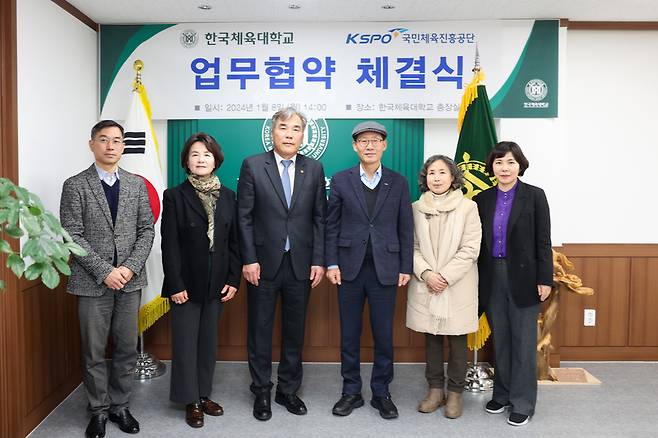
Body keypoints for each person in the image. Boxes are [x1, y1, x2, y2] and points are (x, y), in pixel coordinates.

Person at [60, 120, 154, 438]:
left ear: (124, 146)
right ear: (92, 144)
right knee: (94, 350)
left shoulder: (136, 185)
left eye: (117, 140)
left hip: (130, 281)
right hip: (91, 283)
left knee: (127, 348)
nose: (111, 145)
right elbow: (72, 234)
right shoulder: (75, 185)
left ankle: (120, 407)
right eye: (104, 139)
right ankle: (98, 410)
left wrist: (127, 268)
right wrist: (105, 271)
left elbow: (146, 230)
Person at [237, 107, 327, 421]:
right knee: (260, 329)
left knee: (294, 330)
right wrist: (249, 258)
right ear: (272, 132)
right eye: (284, 128)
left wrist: (319, 260)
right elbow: (244, 217)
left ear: (304, 135)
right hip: (262, 263)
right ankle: (261, 389)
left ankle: (288, 390)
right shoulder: (253, 165)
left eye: (296, 129)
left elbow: (319, 219)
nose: (290, 134)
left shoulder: (313, 168)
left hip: (301, 263)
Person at [325, 121, 413, 419]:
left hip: (386, 269)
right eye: (364, 141)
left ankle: (381, 393)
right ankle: (350, 391)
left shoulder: (398, 182)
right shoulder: (340, 180)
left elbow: (405, 226)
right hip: (348, 269)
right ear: (355, 146)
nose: (370, 145)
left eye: (376, 140)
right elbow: (331, 224)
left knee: (384, 336)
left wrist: (405, 266)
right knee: (349, 334)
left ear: (384, 145)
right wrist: (332, 262)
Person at [160, 133, 241, 428]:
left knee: (208, 342)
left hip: (217, 283)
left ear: (215, 160)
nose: (201, 159)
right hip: (186, 284)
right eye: (195, 154)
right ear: (186, 161)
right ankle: (189, 399)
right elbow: (169, 245)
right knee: (185, 343)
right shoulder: (174, 196)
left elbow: (234, 242)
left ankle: (204, 393)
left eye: (206, 154)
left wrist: (234, 279)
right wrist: (175, 284)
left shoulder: (229, 195)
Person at [474, 141, 553, 427]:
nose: (504, 168)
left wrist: (545, 278)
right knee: (502, 339)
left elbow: (543, 241)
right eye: (498, 163)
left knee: (522, 343)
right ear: (491, 167)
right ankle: (503, 394)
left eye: (509, 162)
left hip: (525, 277)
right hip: (491, 276)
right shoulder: (482, 199)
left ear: (520, 164)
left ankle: (523, 403)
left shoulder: (534, 196)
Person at [406, 155, 482, 419]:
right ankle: (435, 391)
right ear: (425, 178)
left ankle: (455, 394)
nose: (436, 178)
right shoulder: (415, 208)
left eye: (442, 172)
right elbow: (411, 246)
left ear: (453, 177)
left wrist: (445, 277)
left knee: (458, 340)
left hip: (457, 284)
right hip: (426, 283)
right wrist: (427, 274)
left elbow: (471, 249)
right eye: (431, 173)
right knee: (432, 339)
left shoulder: (467, 207)